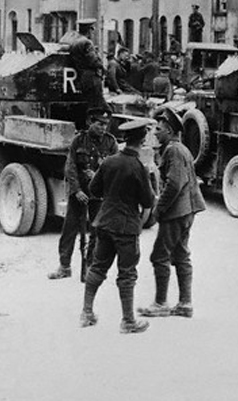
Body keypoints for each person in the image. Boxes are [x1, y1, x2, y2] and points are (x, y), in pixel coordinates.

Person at [80, 118, 155, 334]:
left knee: (98, 266)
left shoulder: (109, 161)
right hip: (126, 227)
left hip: (104, 222)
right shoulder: (138, 166)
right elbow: (148, 201)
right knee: (127, 273)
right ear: (142, 140)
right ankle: (128, 321)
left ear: (125, 139)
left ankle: (86, 313)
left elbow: (94, 189)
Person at [139, 108, 206, 319]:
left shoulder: (173, 151)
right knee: (181, 255)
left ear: (169, 130)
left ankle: (161, 303)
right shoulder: (180, 149)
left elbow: (174, 184)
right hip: (187, 210)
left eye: (158, 129)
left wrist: (158, 210)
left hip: (176, 213)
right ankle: (185, 304)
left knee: (159, 255)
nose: (155, 133)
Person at [48, 106, 119, 281]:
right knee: (69, 230)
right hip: (78, 195)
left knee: (95, 232)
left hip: (98, 196)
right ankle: (64, 266)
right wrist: (77, 190)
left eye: (105, 124)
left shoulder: (110, 143)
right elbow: (70, 167)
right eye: (99, 124)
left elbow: (115, 170)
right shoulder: (78, 141)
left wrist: (99, 178)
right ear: (90, 122)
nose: (103, 128)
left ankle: (89, 267)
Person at [65, 18, 106, 107]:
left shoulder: (74, 42)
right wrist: (101, 66)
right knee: (97, 103)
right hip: (92, 77)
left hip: (83, 76)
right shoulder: (87, 42)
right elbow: (93, 61)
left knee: (90, 103)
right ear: (90, 29)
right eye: (92, 29)